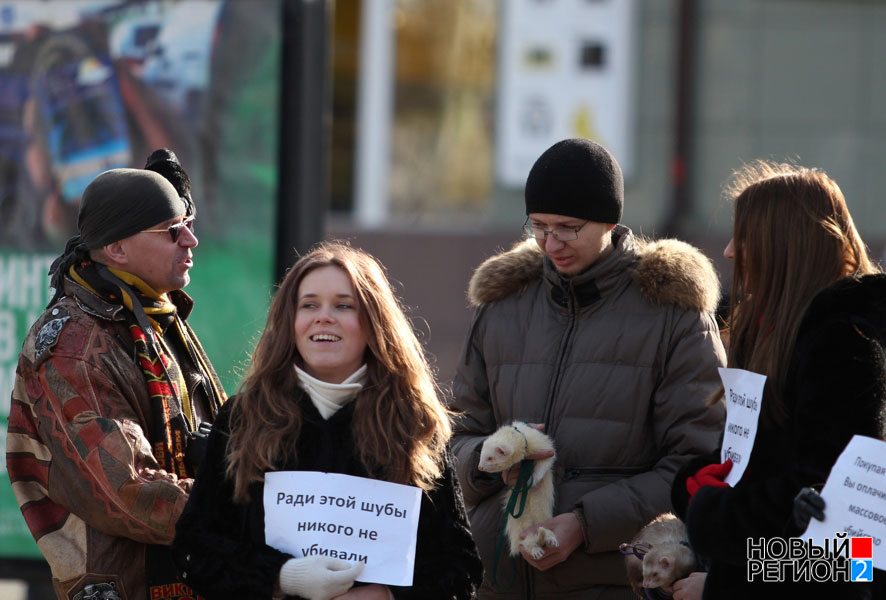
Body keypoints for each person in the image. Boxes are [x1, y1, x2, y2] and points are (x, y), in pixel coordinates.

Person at [449, 137, 727, 599]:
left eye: (568, 228)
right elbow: (455, 436)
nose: (549, 243)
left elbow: (698, 464)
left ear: (610, 222)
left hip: (612, 580)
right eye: (537, 226)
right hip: (497, 579)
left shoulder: (672, 313)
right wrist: (489, 464)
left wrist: (586, 524)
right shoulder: (501, 305)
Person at [172, 241, 483, 599]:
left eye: (343, 305)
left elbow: (460, 569)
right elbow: (195, 549)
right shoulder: (243, 417)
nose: (324, 316)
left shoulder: (413, 424)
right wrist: (282, 577)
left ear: (374, 322)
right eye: (309, 305)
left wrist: (383, 596)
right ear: (291, 322)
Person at [6, 160, 226, 600]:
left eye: (188, 224)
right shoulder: (72, 343)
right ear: (117, 250)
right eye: (170, 230)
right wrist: (247, 505)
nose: (191, 239)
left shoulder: (152, 316)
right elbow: (126, 488)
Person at [670, 160, 886, 600]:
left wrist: (722, 585)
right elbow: (767, 465)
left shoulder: (844, 344)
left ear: (783, 245)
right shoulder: (777, 330)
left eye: (744, 236)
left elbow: (852, 550)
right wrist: (702, 478)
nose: (729, 250)